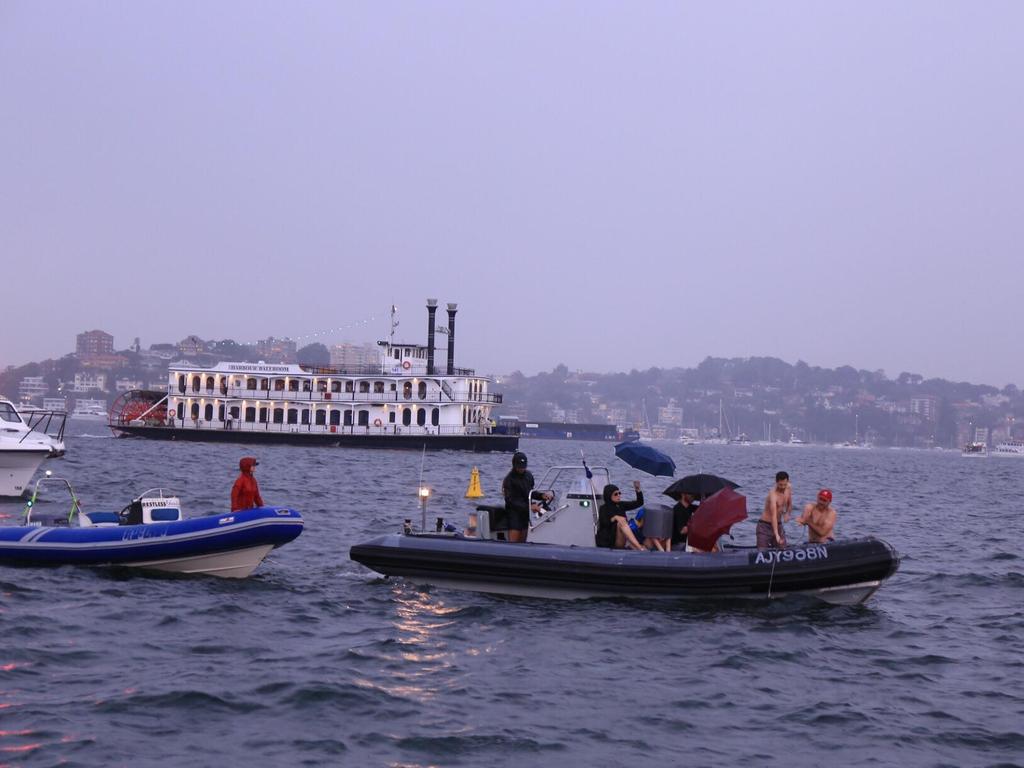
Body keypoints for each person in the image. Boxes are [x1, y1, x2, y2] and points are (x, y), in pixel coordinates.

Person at [502, 451, 551, 543]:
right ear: (514, 465)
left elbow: (530, 493)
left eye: (523, 466)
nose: (522, 469)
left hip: (525, 515)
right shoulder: (508, 480)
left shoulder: (528, 476)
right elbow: (510, 501)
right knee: (514, 543)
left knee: (523, 541)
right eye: (519, 467)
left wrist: (541, 496)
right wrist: (529, 506)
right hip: (514, 514)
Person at [596, 482, 646, 551]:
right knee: (621, 522)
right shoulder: (603, 508)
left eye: (619, 493)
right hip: (609, 541)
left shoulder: (621, 505)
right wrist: (614, 518)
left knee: (623, 521)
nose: (619, 495)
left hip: (622, 539)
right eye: (616, 494)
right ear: (609, 495)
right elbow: (604, 523)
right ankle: (639, 547)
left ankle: (638, 546)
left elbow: (639, 503)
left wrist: (638, 490)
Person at [756, 471, 791, 549]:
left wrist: (787, 513)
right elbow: (773, 516)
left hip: (778, 525)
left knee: (783, 549)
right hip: (765, 526)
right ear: (776, 482)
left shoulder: (788, 488)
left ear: (788, 482)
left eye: (784, 484)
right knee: (762, 551)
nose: (782, 487)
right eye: (780, 485)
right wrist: (776, 535)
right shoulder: (773, 495)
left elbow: (789, 503)